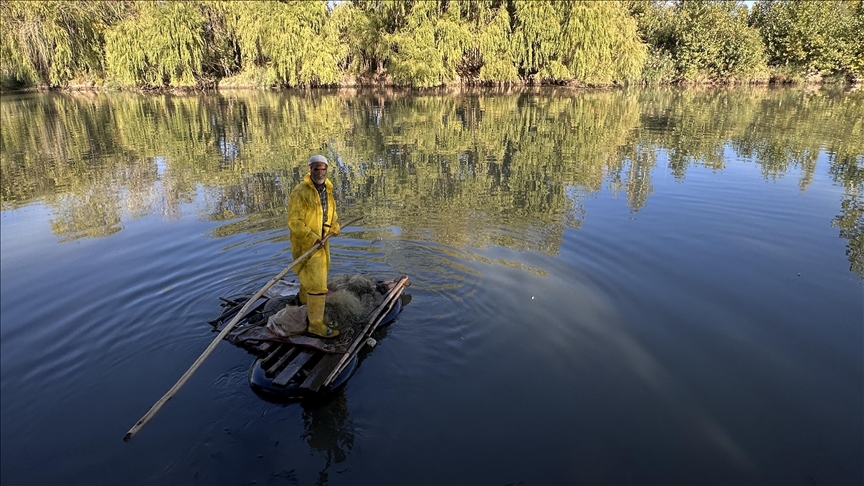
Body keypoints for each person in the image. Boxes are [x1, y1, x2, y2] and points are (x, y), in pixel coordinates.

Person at [288, 154, 341, 338]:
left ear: (327, 169)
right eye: (316, 169)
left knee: (316, 274)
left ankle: (304, 302)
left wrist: (334, 227)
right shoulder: (300, 192)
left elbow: (330, 212)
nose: (320, 172)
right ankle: (316, 325)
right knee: (318, 284)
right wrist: (311, 238)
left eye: (323, 169)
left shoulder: (327, 189)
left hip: (322, 242)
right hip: (307, 244)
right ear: (309, 169)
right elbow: (294, 222)